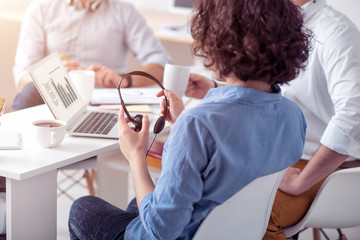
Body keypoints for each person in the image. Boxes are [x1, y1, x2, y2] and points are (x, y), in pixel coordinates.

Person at [68, 0, 310, 239]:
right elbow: (233, 169)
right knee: (137, 203)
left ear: (222, 44)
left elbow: (160, 231)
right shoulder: (293, 116)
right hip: (235, 232)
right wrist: (182, 124)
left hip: (181, 234)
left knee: (83, 208)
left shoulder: (197, 124)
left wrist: (135, 157)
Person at [182, 0, 360, 239]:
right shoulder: (273, 18)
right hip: (280, 154)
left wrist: (302, 181)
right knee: (204, 197)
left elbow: (354, 114)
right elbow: (273, 87)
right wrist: (216, 87)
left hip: (328, 167)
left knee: (244, 212)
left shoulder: (336, 32)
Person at [12, 0, 171, 111]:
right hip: (57, 96)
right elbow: (22, 76)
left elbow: (161, 64)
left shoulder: (124, 11)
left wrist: (125, 80)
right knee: (29, 93)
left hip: (105, 97)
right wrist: (53, 77)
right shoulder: (40, 8)